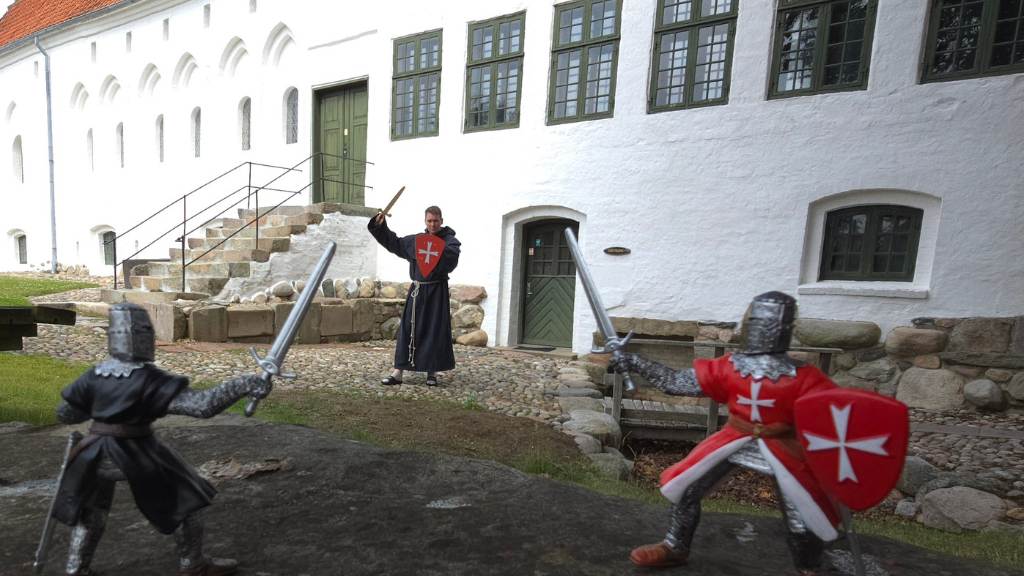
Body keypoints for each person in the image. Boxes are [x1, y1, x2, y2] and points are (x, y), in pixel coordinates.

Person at [610, 291, 840, 576]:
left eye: (768, 323)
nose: (763, 329)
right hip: (736, 437)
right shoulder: (731, 367)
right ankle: (675, 545)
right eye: (758, 321)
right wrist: (635, 362)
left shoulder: (805, 378)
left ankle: (810, 567)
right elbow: (677, 382)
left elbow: (835, 416)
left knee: (802, 512)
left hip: (784, 446)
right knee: (687, 487)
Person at [51, 303, 270, 576]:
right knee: (187, 502)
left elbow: (66, 414)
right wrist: (244, 384)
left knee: (91, 512)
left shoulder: (94, 375)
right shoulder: (150, 380)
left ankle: (76, 568)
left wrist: (102, 407)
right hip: (135, 452)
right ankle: (193, 564)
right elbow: (202, 406)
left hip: (93, 451)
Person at [368, 205, 460, 386]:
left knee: (433, 330)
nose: (432, 224)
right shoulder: (417, 241)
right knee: (408, 329)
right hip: (417, 291)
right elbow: (394, 242)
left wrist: (434, 247)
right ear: (425, 221)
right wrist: (380, 226)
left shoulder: (451, 242)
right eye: (429, 221)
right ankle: (398, 372)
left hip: (436, 292)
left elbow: (450, 261)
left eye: (435, 221)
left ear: (441, 221)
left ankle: (431, 372)